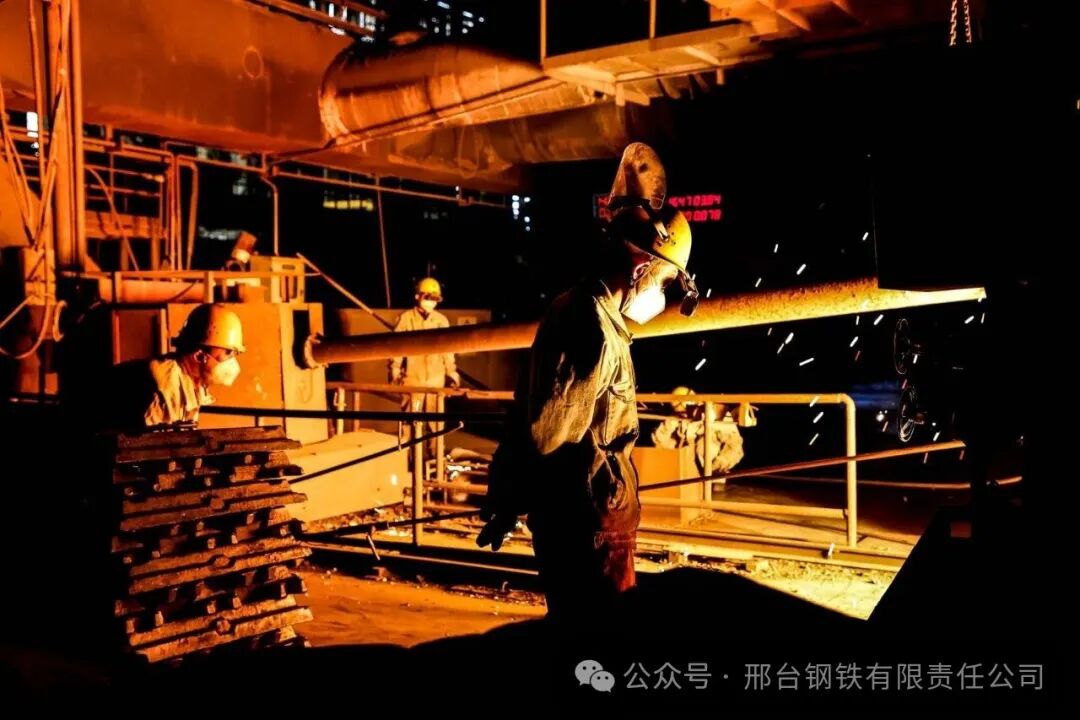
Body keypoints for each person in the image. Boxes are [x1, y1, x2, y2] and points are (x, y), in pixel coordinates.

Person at [477, 143, 698, 622]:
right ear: (642, 267)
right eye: (665, 281)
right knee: (600, 638)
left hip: (584, 519)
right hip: (587, 523)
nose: (662, 293)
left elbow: (530, 416)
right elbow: (550, 432)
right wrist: (513, 498)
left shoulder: (584, 312)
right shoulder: (590, 326)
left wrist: (507, 497)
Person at [98, 303, 245, 430]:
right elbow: (148, 447)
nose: (233, 363)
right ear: (199, 356)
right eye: (228, 353)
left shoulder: (191, 382)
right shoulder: (163, 390)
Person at [388, 277, 460, 445]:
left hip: (436, 381)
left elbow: (447, 351)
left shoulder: (441, 320)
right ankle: (408, 456)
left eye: (434, 299)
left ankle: (435, 457)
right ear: (417, 297)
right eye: (427, 298)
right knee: (410, 423)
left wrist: (452, 373)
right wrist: (395, 371)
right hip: (412, 381)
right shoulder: (406, 319)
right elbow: (395, 348)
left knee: (436, 424)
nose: (431, 302)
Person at [651, 386, 747, 476]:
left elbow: (735, 448)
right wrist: (669, 427)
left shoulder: (717, 416)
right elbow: (661, 443)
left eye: (685, 412)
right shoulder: (679, 418)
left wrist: (717, 465)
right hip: (686, 473)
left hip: (713, 474)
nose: (685, 415)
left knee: (704, 445)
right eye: (681, 413)